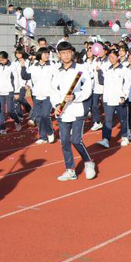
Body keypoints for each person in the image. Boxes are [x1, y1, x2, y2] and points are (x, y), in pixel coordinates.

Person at [50, 41, 97, 181]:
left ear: (72, 53)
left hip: (77, 110)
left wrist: (76, 96)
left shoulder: (81, 69)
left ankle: (88, 162)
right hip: (63, 112)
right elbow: (53, 90)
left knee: (76, 140)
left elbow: (88, 89)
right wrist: (57, 104)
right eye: (62, 53)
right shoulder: (56, 71)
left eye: (68, 52)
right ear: (59, 55)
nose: (65, 55)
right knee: (64, 141)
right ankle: (70, 170)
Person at [26, 47, 56, 144]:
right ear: (39, 55)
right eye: (45, 54)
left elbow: (57, 79)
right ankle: (43, 137)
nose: (47, 55)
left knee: (45, 115)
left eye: (48, 53)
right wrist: (23, 66)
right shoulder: (33, 67)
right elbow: (26, 76)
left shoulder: (52, 66)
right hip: (36, 94)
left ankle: (50, 132)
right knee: (38, 116)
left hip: (48, 94)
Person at [0, 51, 23, 134]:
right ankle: (2, 128)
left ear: (7, 58)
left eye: (3, 60)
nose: (2, 61)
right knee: (1, 110)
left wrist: (16, 92)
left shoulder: (12, 66)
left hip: (10, 90)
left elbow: (16, 79)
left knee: (10, 110)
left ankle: (17, 121)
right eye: (0, 60)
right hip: (0, 91)